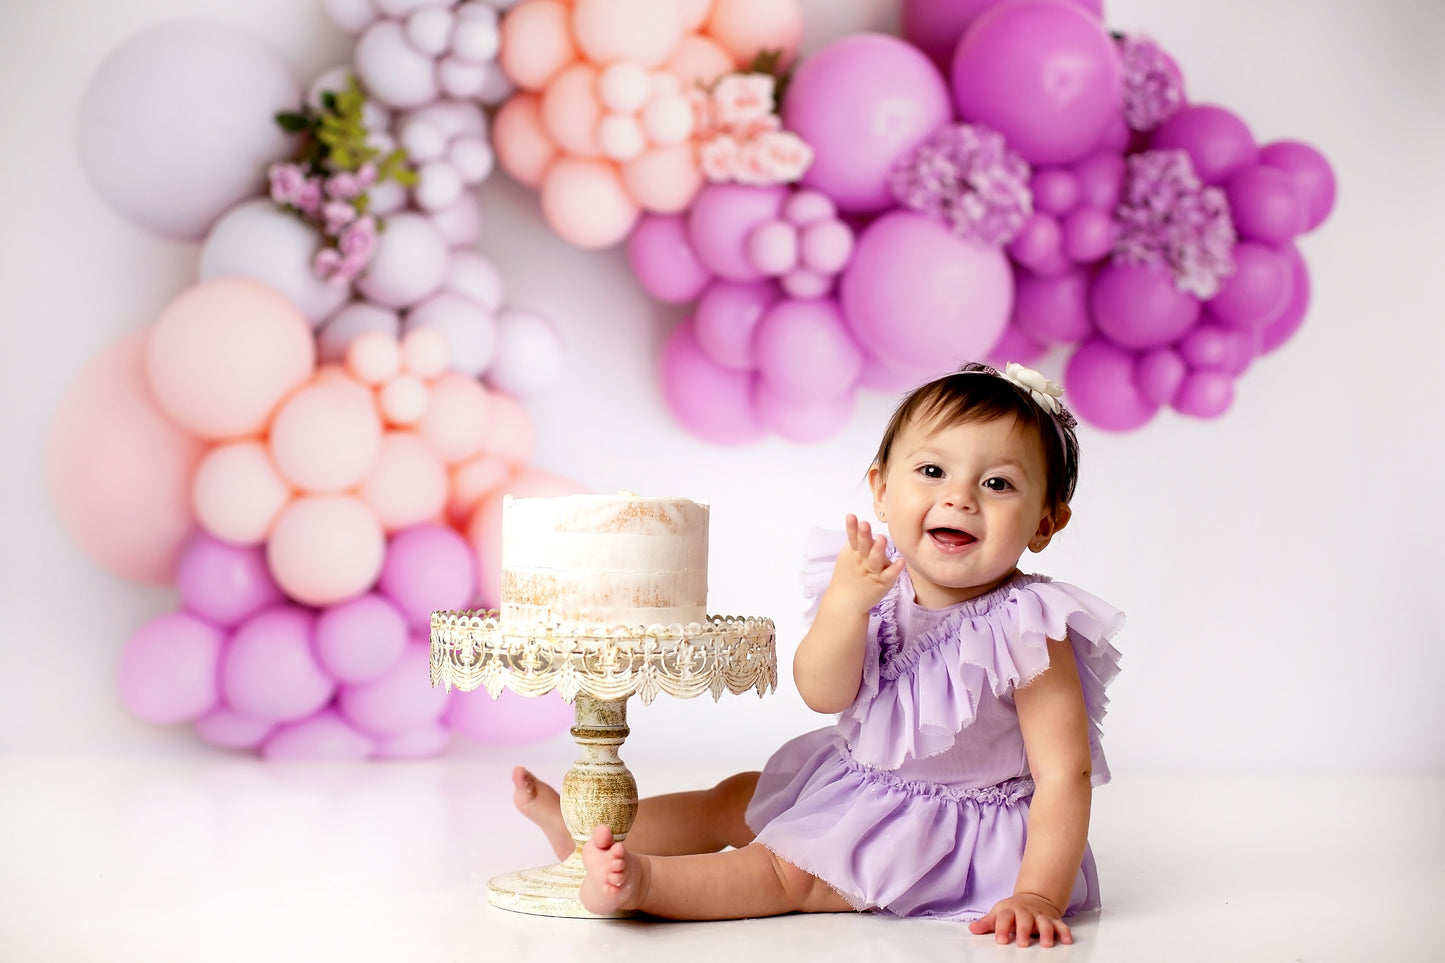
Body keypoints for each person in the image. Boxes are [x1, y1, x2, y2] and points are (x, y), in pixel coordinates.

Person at [512, 362, 1123, 947]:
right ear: (882, 490)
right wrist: (846, 607)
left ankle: (644, 883)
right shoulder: (868, 583)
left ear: (1045, 522)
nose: (961, 497)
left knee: (786, 872)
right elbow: (823, 692)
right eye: (933, 471)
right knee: (737, 799)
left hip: (945, 826)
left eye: (997, 484)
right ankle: (584, 831)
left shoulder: (1028, 627)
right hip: (856, 778)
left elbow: (1063, 775)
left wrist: (1038, 893)